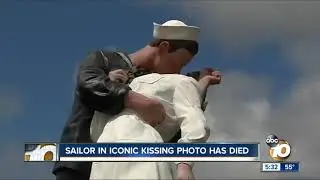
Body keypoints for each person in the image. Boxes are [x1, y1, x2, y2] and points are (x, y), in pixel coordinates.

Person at [53, 20, 206, 180]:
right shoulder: (104, 59)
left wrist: (200, 88)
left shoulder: (156, 83)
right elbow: (88, 86)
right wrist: (132, 98)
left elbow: (179, 126)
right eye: (180, 63)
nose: (179, 71)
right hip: (81, 161)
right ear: (164, 47)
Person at [89, 69, 221, 180]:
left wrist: (110, 84)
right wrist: (184, 164)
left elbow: (95, 131)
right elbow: (194, 121)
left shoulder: (133, 88)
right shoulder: (185, 82)